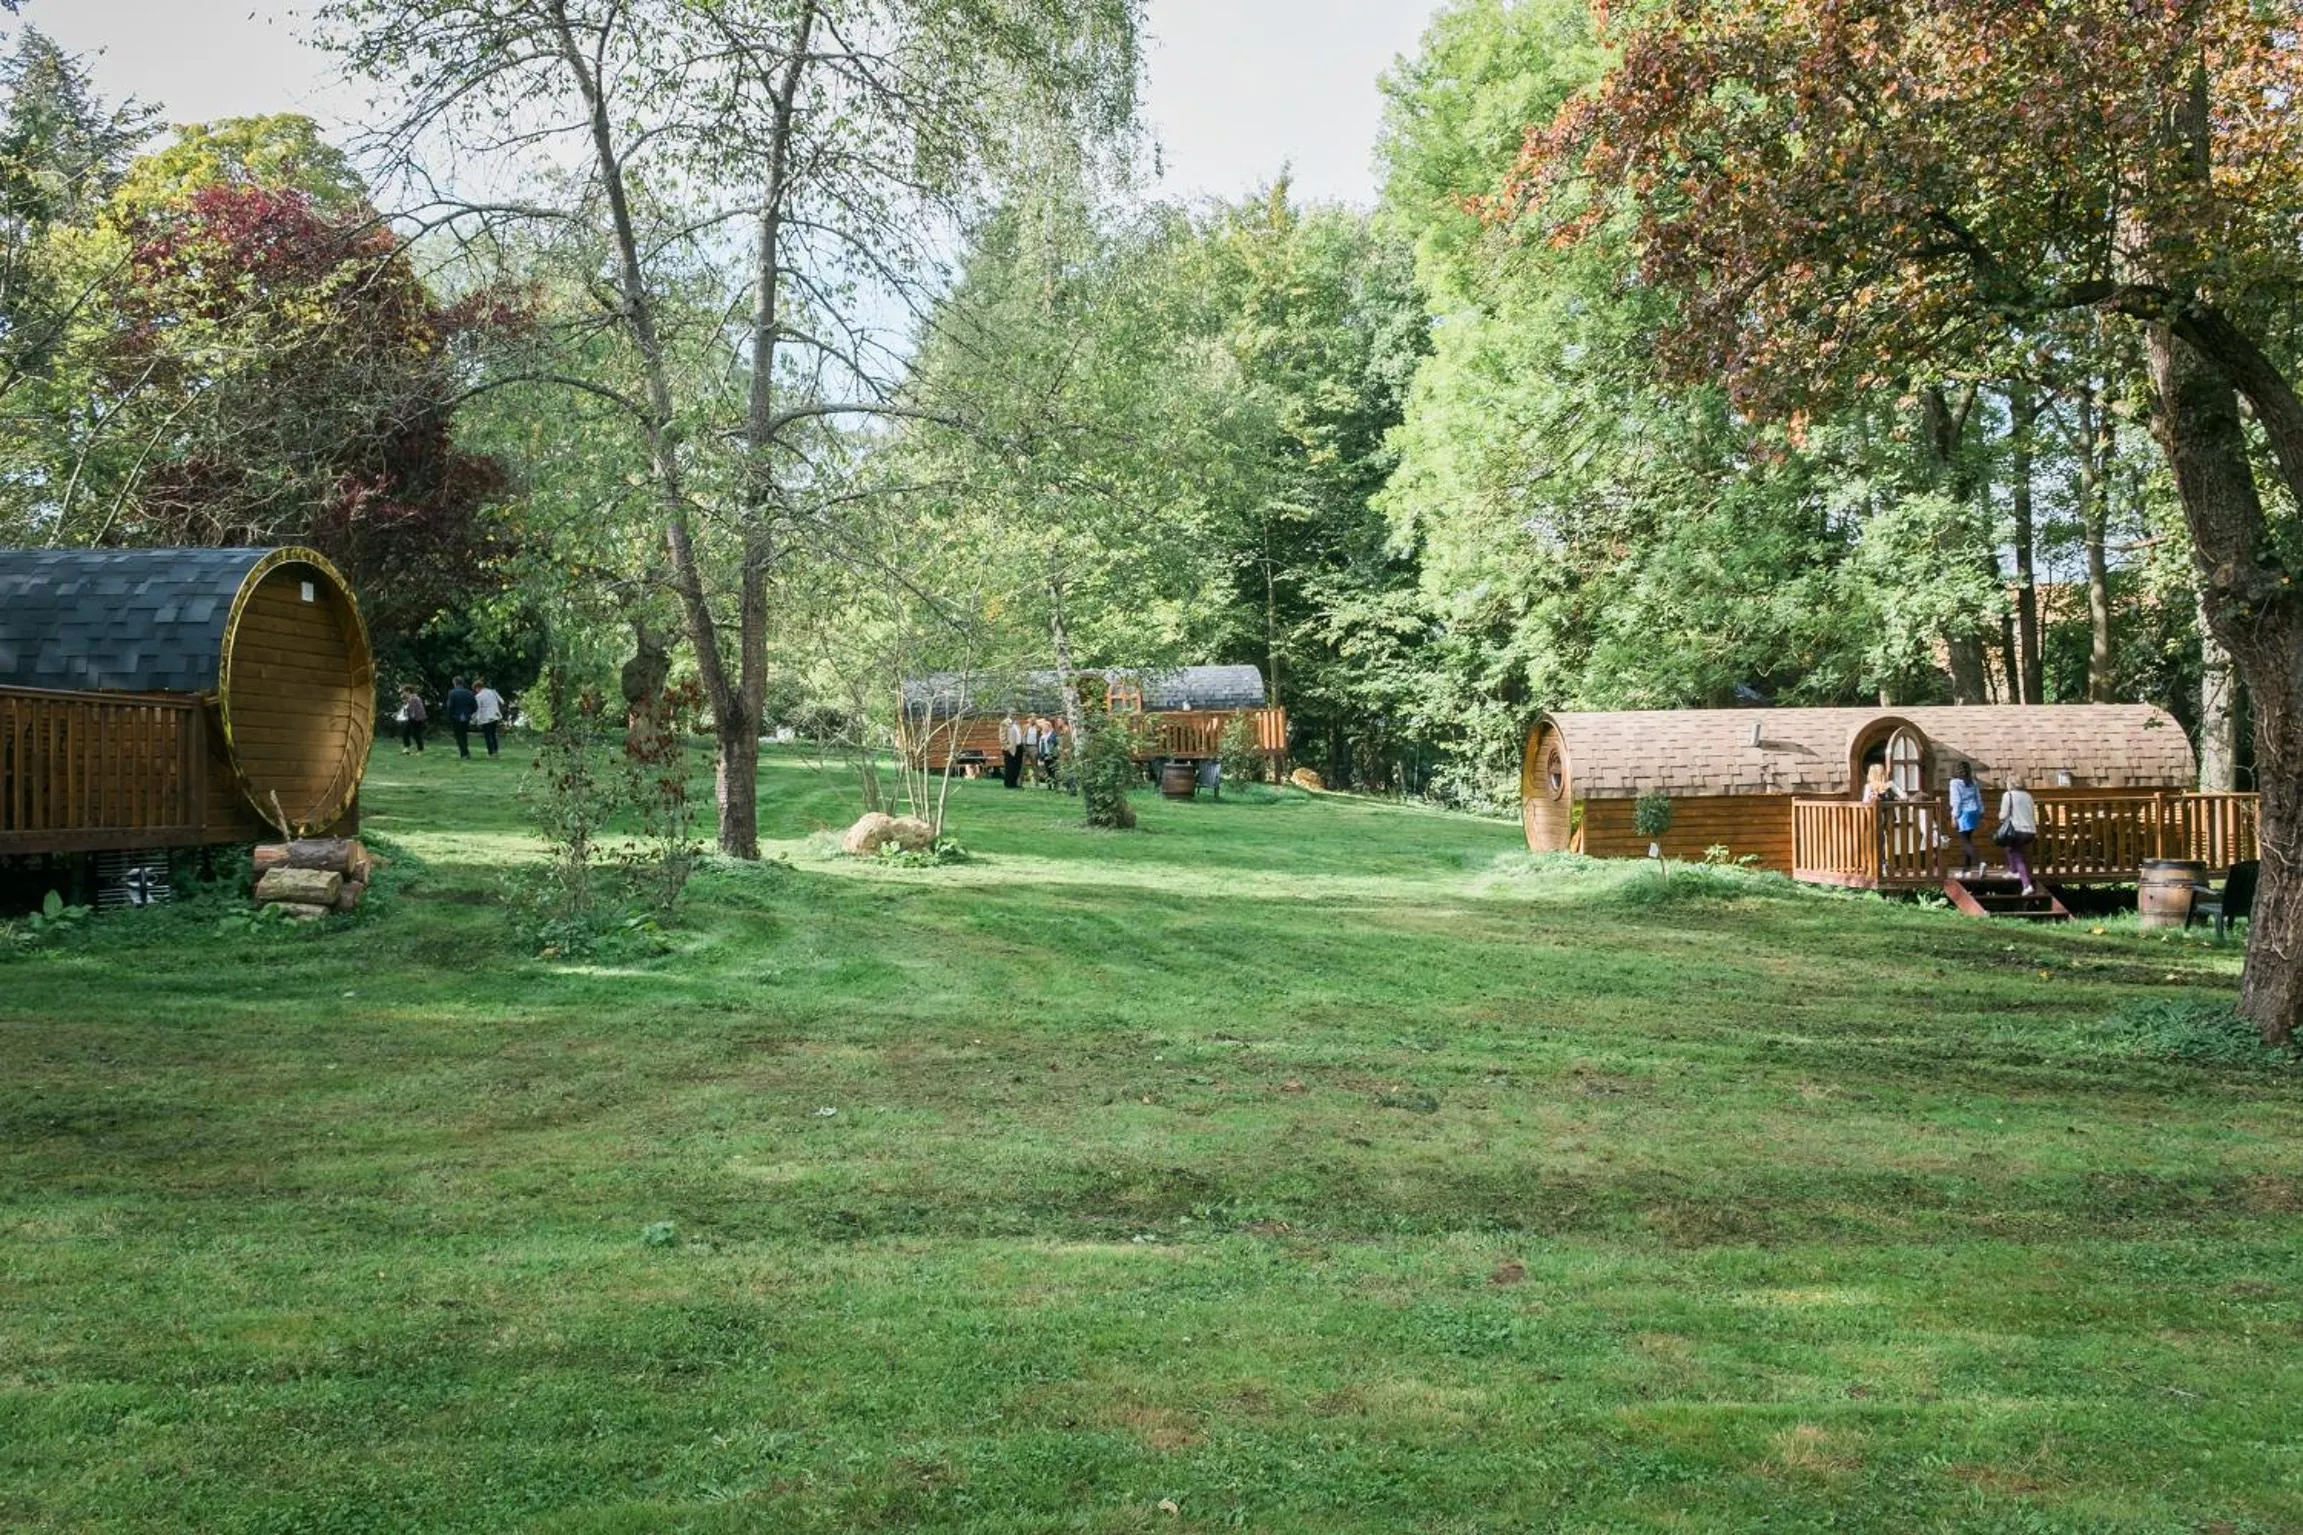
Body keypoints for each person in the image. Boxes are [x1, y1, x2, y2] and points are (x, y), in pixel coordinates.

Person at [1996, 775, 2040, 895]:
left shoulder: (2008, 795)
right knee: (2009, 848)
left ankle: (2026, 885)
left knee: (2017, 856)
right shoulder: (2028, 796)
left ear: (2010, 784)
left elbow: (2003, 815)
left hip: (2016, 830)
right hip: (2030, 831)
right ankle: (2012, 870)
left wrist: (2000, 817)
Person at [1947, 762, 1985, 873]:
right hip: (1974, 812)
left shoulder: (1954, 783)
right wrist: (1981, 812)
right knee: (1968, 839)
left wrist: (1954, 816)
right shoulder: (1973, 782)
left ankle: (1980, 863)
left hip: (1964, 813)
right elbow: (1978, 798)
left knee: (1965, 842)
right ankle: (1966, 869)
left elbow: (1956, 801)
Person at [471, 676, 506, 758]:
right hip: (495, 715)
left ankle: (490, 753)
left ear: (477, 687)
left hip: (485, 718)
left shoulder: (478, 696)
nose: (476, 691)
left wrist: (475, 719)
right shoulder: (493, 692)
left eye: (475, 689)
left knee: (487, 736)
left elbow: (478, 709)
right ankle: (496, 752)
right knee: (493, 734)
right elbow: (502, 701)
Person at [445, 676, 478, 758]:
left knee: (458, 736)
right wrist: (469, 713)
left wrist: (450, 716)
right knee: (464, 735)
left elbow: (450, 706)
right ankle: (465, 752)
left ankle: (464, 753)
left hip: (456, 716)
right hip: (466, 716)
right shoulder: (469, 692)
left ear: (455, 683)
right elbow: (475, 706)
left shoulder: (452, 693)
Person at [395, 685, 428, 753]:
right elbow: (406, 709)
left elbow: (416, 710)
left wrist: (409, 717)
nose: (403, 693)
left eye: (404, 691)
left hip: (417, 719)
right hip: (411, 718)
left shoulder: (415, 698)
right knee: (405, 733)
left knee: (416, 734)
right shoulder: (409, 698)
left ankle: (420, 750)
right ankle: (407, 748)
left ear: (408, 691)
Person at [998, 712, 1024, 789]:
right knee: (1010, 766)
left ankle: (1014, 783)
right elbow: (1002, 736)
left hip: (1019, 747)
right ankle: (1008, 784)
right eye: (1013, 714)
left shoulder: (1017, 723)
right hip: (1010, 748)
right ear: (1009, 714)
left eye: (1016, 714)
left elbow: (1019, 734)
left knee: (1017, 766)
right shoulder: (1004, 723)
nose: (1015, 715)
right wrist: (1007, 746)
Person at [1037, 716, 1062, 786]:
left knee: (1053, 769)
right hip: (1045, 754)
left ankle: (1055, 784)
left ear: (1049, 727)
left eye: (1045, 727)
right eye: (1043, 727)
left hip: (1052, 754)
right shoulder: (1042, 735)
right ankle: (1049, 785)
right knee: (1047, 769)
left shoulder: (1053, 734)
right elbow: (1040, 745)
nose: (1044, 728)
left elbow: (1055, 743)